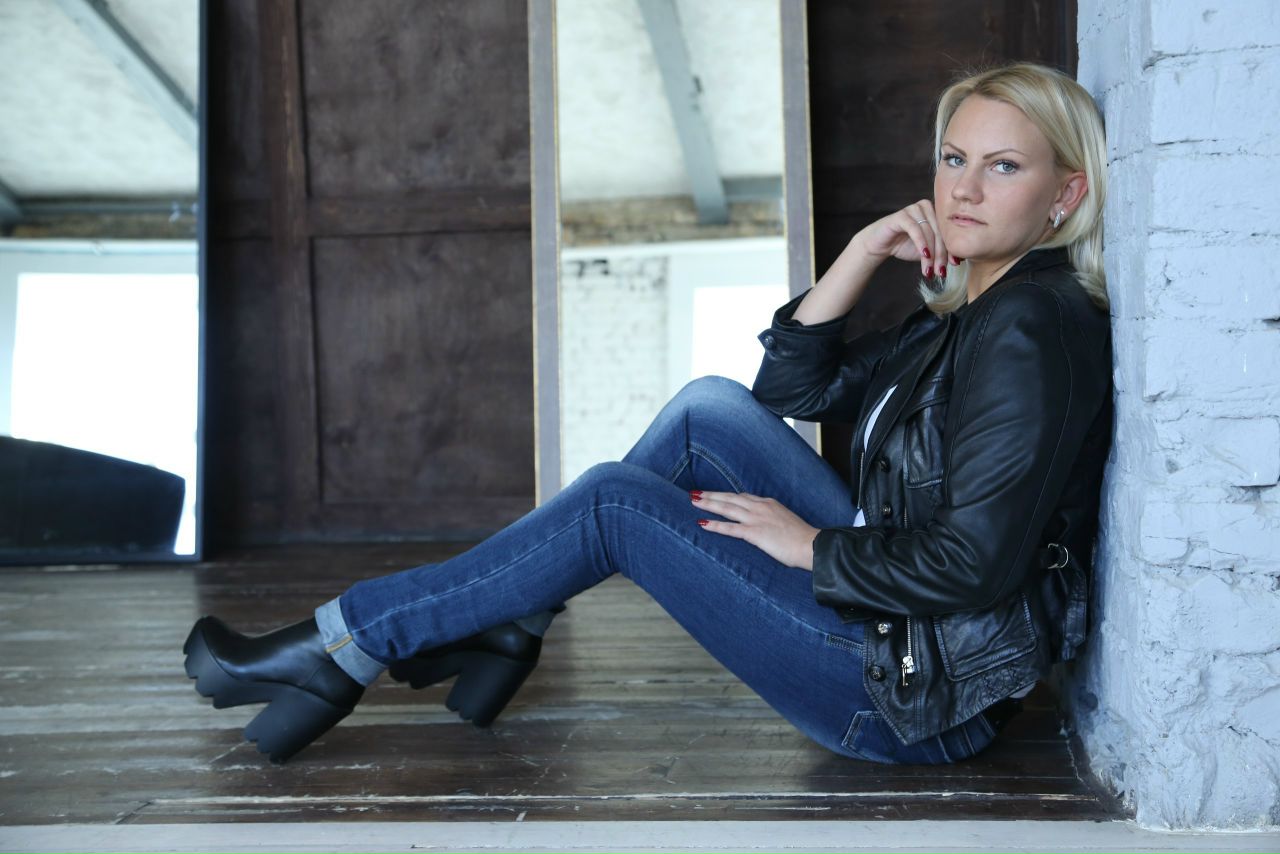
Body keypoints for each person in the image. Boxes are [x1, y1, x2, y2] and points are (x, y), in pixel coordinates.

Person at [185, 61, 1113, 766]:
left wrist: (808, 547)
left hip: (915, 698)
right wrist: (861, 255)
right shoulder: (974, 310)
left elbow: (976, 563)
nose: (962, 190)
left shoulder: (1027, 327)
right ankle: (503, 623)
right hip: (904, 632)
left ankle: (350, 642)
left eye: (1003, 168)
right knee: (710, 409)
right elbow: (790, 393)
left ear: (1065, 194)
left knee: (613, 507)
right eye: (954, 159)